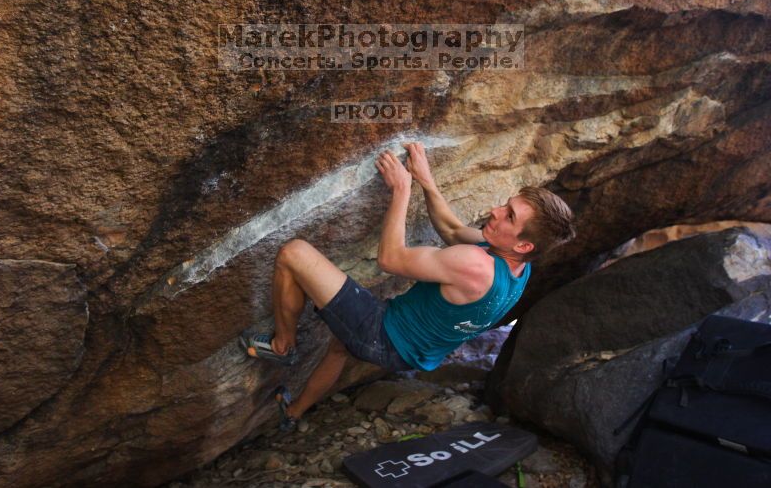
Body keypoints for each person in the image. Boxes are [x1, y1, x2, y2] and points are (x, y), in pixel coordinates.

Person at [240, 142, 576, 430]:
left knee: (293, 253)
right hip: (414, 352)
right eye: (507, 204)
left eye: (510, 216)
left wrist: (402, 189)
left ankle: (283, 345)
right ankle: (293, 412)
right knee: (342, 347)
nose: (496, 210)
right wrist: (428, 183)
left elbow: (390, 259)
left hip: (382, 334)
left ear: (523, 245)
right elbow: (455, 232)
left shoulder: (475, 266)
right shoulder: (519, 269)